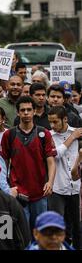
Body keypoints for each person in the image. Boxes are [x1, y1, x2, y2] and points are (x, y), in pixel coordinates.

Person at [0, 96, 57, 229]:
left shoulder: (44, 134)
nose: (26, 113)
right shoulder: (9, 135)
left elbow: (51, 161)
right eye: (23, 110)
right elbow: (3, 163)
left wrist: (50, 182)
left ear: (34, 112)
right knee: (21, 235)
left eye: (29, 110)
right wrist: (6, 187)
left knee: (41, 233)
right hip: (18, 193)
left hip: (40, 192)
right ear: (18, 112)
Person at [47, 106, 82, 249]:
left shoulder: (78, 133)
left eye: (55, 122)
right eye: (50, 122)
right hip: (57, 187)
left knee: (77, 226)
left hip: (76, 187)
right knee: (57, 224)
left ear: (65, 119)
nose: (52, 125)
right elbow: (56, 154)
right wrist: (71, 138)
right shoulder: (49, 136)